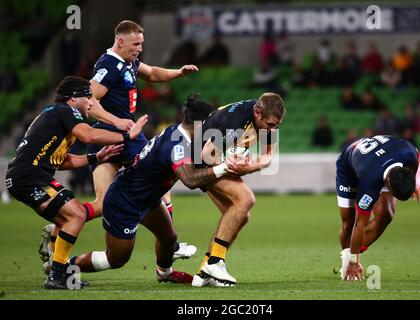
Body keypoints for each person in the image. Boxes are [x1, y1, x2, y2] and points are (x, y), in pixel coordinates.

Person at [39, 20, 198, 268]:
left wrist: (178, 73)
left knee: (103, 203)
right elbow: (89, 100)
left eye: (141, 44)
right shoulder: (109, 65)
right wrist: (119, 122)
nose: (139, 49)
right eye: (136, 44)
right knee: (162, 166)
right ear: (120, 41)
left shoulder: (129, 61)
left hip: (118, 137)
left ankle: (58, 229)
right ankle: (172, 245)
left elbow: (153, 73)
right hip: (119, 136)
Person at [71, 96, 249, 284]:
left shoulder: (181, 136)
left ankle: (164, 273)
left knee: (169, 238)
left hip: (148, 198)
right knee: (115, 259)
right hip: (125, 202)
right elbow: (190, 180)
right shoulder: (178, 143)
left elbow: (200, 165)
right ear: (201, 124)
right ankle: (64, 265)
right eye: (211, 123)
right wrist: (225, 167)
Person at [5, 76, 148, 289]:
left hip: (29, 177)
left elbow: (62, 161)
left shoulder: (56, 116)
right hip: (30, 177)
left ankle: (58, 271)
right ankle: (57, 275)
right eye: (88, 97)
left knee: (67, 220)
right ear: (73, 99)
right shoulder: (66, 111)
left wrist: (96, 157)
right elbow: (89, 135)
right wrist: (128, 136)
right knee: (78, 214)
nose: (92, 102)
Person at [191, 92, 286, 287]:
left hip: (216, 160)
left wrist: (250, 167)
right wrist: (229, 165)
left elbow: (268, 157)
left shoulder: (266, 118)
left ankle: (204, 272)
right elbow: (206, 154)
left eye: (277, 126)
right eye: (270, 125)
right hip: (202, 165)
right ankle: (216, 262)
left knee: (240, 214)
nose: (273, 130)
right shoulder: (235, 122)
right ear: (257, 113)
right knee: (246, 199)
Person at [336, 135, 420, 281]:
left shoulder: (410, 152)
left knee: (386, 214)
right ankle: (348, 258)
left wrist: (412, 183)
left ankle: (352, 254)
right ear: (388, 183)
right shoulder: (370, 183)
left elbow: (413, 166)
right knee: (349, 223)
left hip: (379, 160)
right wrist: (355, 261)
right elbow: (359, 222)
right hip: (349, 167)